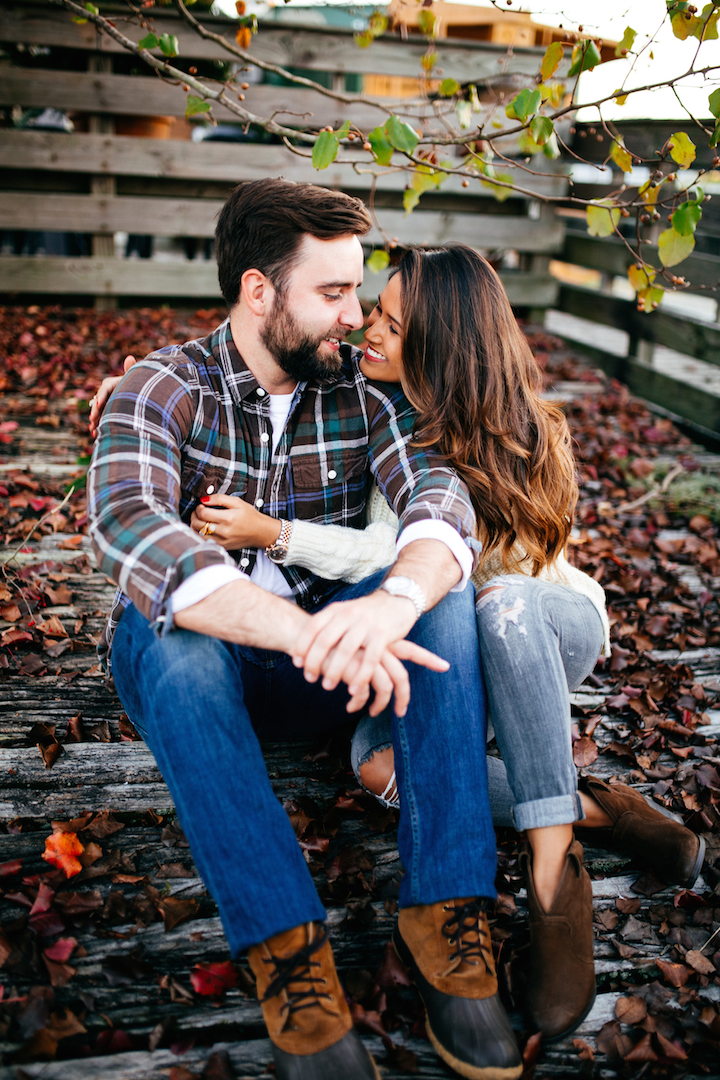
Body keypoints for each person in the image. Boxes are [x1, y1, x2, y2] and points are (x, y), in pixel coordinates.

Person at [94, 243, 706, 1043]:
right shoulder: (377, 394)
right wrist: (134, 396)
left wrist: (284, 539)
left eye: (383, 316)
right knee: (375, 765)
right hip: (421, 657)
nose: (361, 326)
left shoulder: (508, 426)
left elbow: (437, 542)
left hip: (535, 624)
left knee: (491, 605)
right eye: (354, 303)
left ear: (441, 340)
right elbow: (146, 493)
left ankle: (552, 875)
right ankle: (601, 811)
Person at [87, 181, 523, 1080]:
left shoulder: (363, 398)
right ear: (258, 292)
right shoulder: (159, 387)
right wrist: (300, 629)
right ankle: (293, 962)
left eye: (357, 292)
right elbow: (130, 525)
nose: (356, 318)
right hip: (206, 669)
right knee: (176, 638)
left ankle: (448, 922)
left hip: (328, 664)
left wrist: (391, 601)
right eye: (332, 295)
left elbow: (441, 502)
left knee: (433, 586)